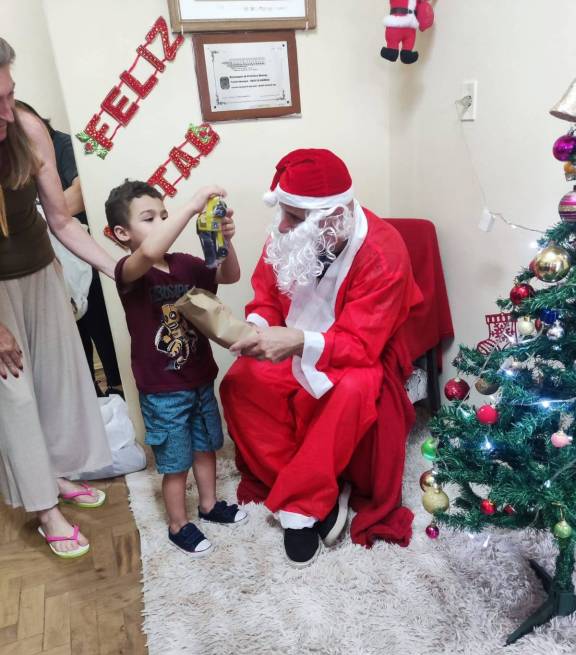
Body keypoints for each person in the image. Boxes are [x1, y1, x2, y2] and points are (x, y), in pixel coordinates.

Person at [220, 148, 422, 568]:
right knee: (239, 383)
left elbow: (361, 345)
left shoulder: (384, 251)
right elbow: (266, 294)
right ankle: (322, 496)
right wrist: (256, 329)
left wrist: (296, 342)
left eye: (294, 217)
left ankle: (302, 508)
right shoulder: (289, 236)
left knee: (351, 391)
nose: (282, 225)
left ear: (334, 217)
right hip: (294, 339)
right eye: (283, 212)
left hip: (357, 354)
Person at [0, 38, 117, 557]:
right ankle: (45, 509)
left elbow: (62, 220)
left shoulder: (25, 128)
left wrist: (119, 270)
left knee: (54, 385)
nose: (8, 111)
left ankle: (53, 473)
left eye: (10, 94)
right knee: (15, 398)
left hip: (39, 273)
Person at [106, 180, 247, 557]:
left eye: (164, 215)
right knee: (175, 463)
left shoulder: (184, 263)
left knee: (206, 448)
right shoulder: (129, 271)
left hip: (199, 378)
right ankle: (177, 524)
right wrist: (190, 206)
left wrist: (224, 240)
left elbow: (229, 275)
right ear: (122, 233)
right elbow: (150, 250)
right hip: (162, 391)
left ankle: (208, 505)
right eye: (149, 218)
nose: (163, 224)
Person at [17, 100, 123, 398]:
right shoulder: (17, 157)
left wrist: (37, 214)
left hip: (81, 256)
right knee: (73, 337)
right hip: (50, 264)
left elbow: (78, 196)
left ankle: (116, 388)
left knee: (100, 325)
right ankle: (90, 394)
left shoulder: (62, 144)